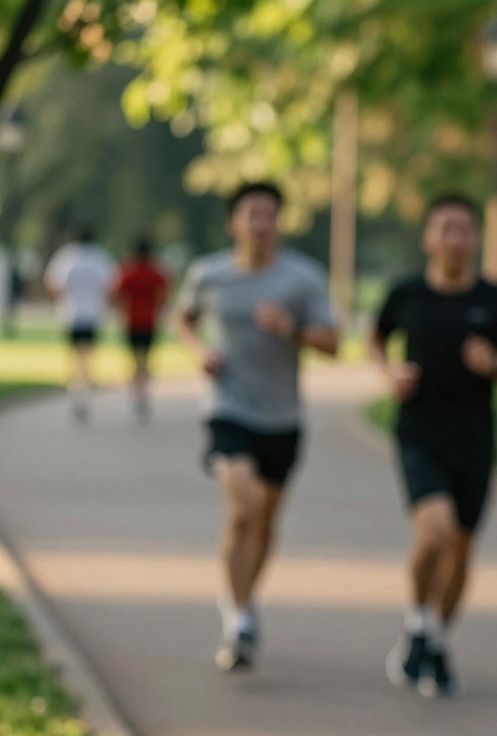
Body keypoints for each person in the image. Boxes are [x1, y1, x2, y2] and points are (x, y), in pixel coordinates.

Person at [369, 194, 497, 697]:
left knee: (460, 548)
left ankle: (433, 640)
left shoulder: (496, 299)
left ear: (475, 238)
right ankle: (419, 622)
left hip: (474, 438)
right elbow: (375, 339)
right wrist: (389, 373)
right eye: (445, 228)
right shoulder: (407, 294)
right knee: (434, 530)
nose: (455, 239)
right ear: (428, 238)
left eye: (464, 229)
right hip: (419, 431)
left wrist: (495, 364)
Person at [175, 182, 339, 672]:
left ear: (279, 223)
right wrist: (198, 351)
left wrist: (291, 329)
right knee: (242, 508)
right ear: (234, 223)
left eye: (269, 215)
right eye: (251, 215)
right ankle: (237, 614)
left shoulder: (302, 279)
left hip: (282, 417)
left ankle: (244, 603)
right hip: (227, 407)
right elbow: (183, 318)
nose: (260, 224)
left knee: (265, 522)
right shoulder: (209, 274)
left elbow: (332, 343)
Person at [44, 229, 116, 422]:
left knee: (74, 355)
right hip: (92, 314)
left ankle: (74, 389)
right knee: (87, 355)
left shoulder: (66, 257)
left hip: (71, 314)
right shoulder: (100, 257)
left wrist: (60, 301)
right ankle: (85, 390)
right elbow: (110, 285)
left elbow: (53, 283)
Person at [112, 237, 170, 420]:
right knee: (145, 359)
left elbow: (116, 293)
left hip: (132, 321)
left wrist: (122, 310)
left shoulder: (129, 271)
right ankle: (144, 393)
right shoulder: (155, 272)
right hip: (150, 321)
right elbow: (164, 295)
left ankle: (135, 393)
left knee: (134, 359)